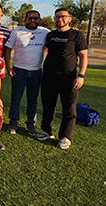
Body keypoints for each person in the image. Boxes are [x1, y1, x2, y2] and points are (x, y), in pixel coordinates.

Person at [35, 8, 88, 149]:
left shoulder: (77, 35)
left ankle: (65, 137)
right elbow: (45, 50)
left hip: (68, 78)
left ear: (69, 18)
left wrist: (81, 75)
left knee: (69, 109)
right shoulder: (50, 35)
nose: (60, 19)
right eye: (57, 17)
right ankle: (46, 131)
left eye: (63, 16)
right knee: (48, 106)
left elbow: (83, 56)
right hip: (49, 77)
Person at [4, 10, 49, 135]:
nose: (33, 20)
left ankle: (30, 123)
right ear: (25, 19)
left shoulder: (45, 32)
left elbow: (59, 37)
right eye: (30, 18)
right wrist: (8, 67)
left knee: (33, 99)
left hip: (36, 72)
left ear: (40, 20)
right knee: (16, 98)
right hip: (19, 71)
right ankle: (13, 122)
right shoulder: (17, 32)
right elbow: (7, 49)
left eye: (35, 18)